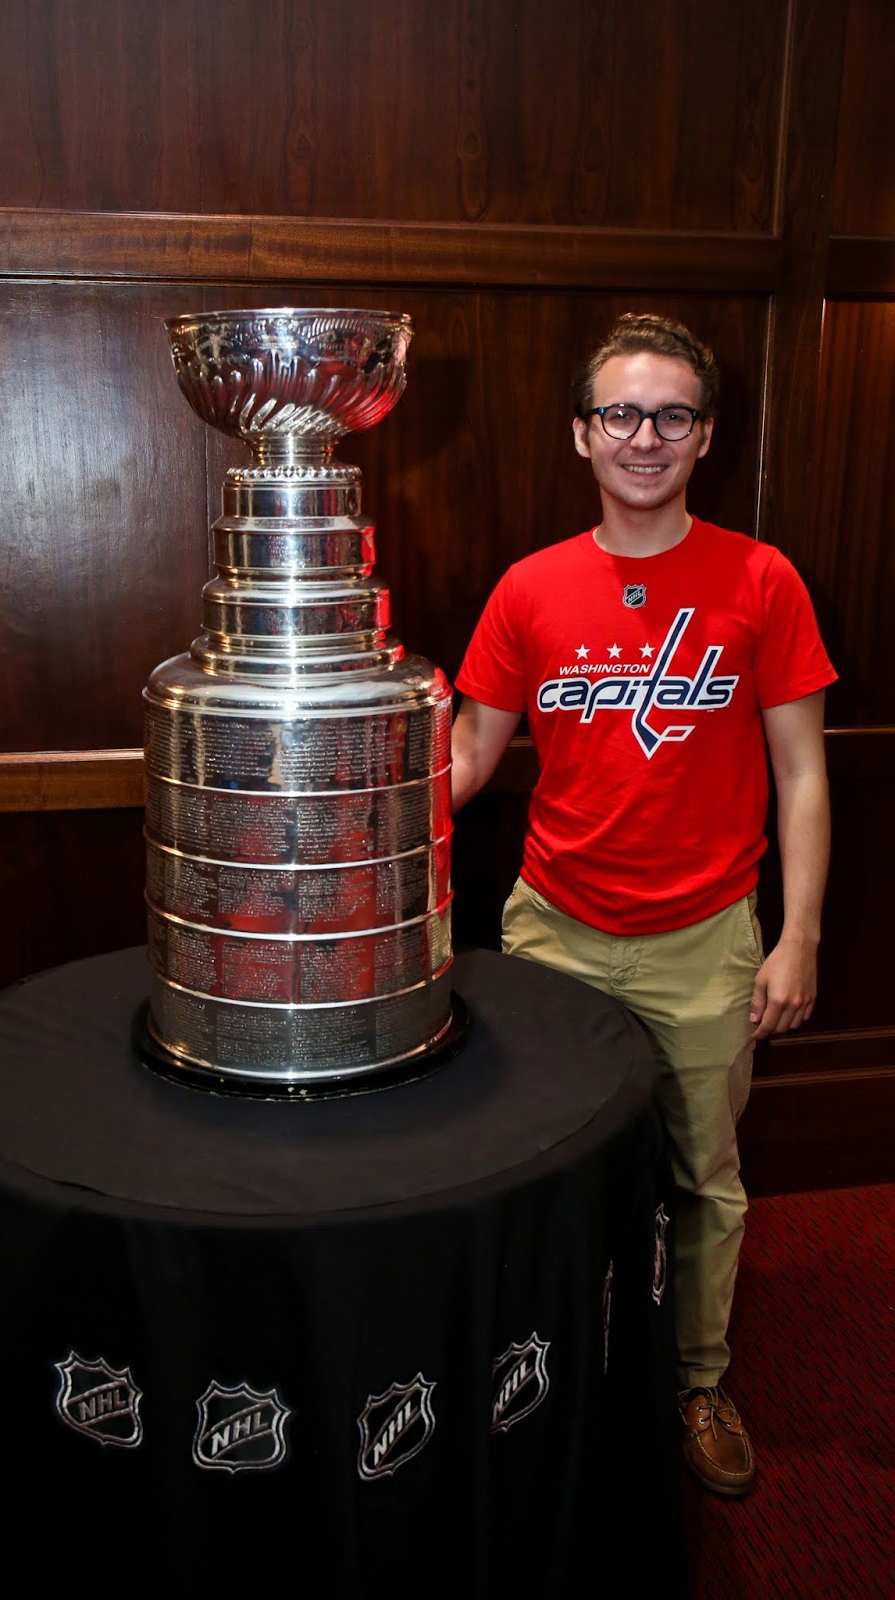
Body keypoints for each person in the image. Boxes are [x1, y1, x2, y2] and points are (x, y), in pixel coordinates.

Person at [450, 313, 836, 1497]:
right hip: (550, 929)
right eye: (620, 412)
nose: (644, 436)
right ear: (581, 433)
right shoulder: (528, 588)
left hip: (704, 938)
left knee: (701, 1176)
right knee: (534, 1163)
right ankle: (541, 1369)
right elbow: (464, 761)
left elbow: (804, 771)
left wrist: (797, 936)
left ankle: (695, 1379)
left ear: (704, 435)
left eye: (671, 414)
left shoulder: (759, 579)